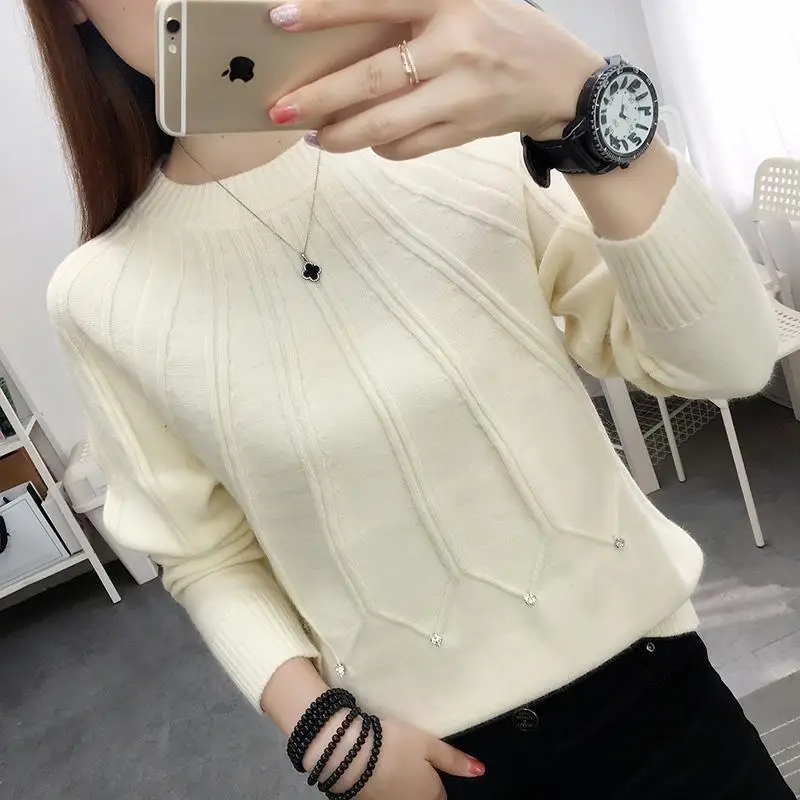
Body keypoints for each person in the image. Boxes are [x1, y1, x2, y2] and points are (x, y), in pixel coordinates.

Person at [24, 0, 792, 797]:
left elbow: (731, 361)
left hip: (658, 697)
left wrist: (586, 97)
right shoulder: (102, 296)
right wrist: (326, 737)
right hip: (428, 764)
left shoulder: (466, 134)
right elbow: (205, 553)